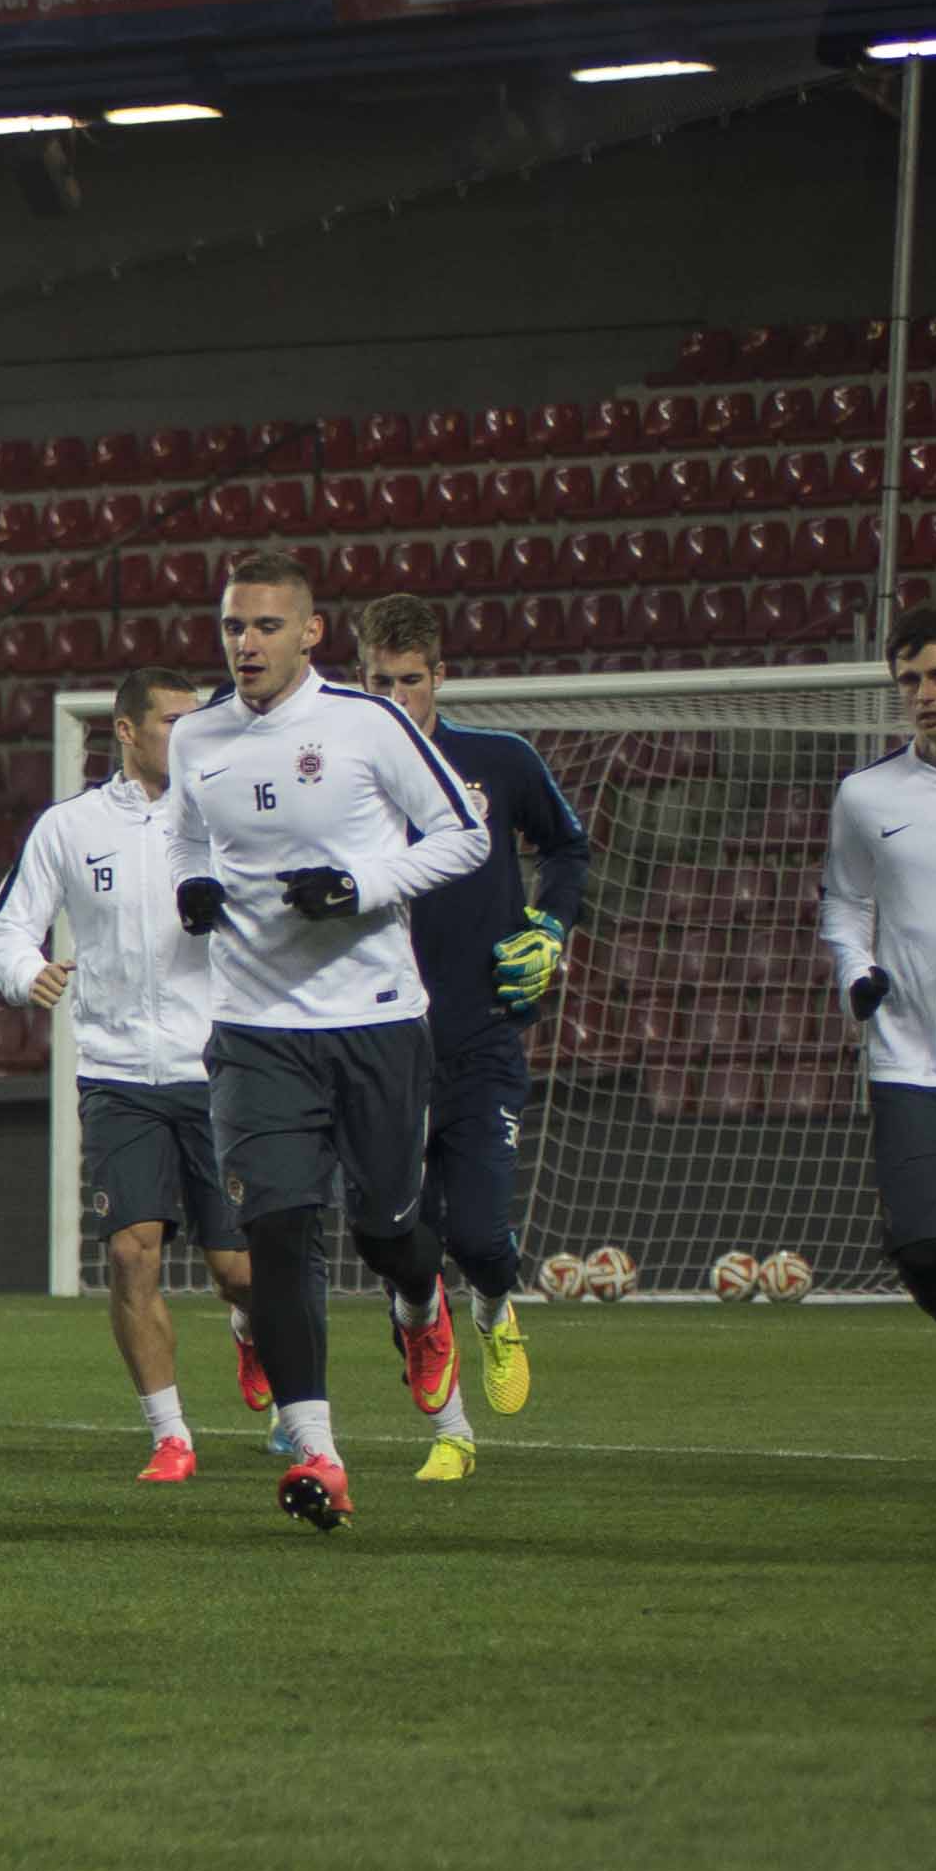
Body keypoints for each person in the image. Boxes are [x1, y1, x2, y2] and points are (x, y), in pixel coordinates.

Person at [168, 547, 485, 1530]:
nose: (246, 643)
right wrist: (191, 883)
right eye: (232, 625)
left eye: (266, 625)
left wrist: (360, 886)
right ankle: (317, 1452)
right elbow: (186, 833)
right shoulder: (197, 735)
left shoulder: (368, 722)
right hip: (254, 1027)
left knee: (386, 1229)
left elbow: (464, 834)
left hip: (375, 1017)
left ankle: (419, 1302)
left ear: (309, 632)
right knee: (277, 1228)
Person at [0, 666, 251, 1480]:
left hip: (216, 1066)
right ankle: (169, 1434)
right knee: (132, 1254)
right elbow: (5, 928)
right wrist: (24, 972)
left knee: (239, 1272)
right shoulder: (68, 827)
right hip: (116, 1072)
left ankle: (251, 1329)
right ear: (126, 731)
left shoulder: (226, 818)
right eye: (172, 721)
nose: (189, 735)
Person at [349, 592, 593, 1472]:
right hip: (378, 1043)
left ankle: (494, 1309)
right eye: (377, 681)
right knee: (405, 1252)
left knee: (481, 1240)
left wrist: (550, 927)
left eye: (409, 680)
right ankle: (450, 1434)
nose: (393, 698)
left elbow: (567, 847)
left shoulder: (498, 761)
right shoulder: (339, 779)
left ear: (440, 677)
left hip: (481, 1034)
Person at [825, 607, 936, 1328]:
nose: (924, 694)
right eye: (909, 680)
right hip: (908, 1057)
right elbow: (844, 902)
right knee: (923, 1251)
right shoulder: (865, 794)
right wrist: (855, 973)